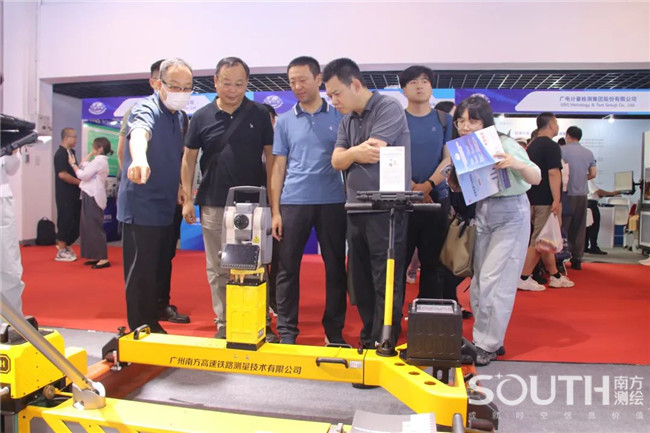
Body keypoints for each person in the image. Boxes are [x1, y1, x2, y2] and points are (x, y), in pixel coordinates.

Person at [181, 57, 274, 340]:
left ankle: (260, 319)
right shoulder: (201, 116)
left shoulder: (259, 113)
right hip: (213, 201)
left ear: (247, 84)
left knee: (257, 263)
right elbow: (188, 159)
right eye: (227, 83)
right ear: (215, 82)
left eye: (239, 84)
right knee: (218, 266)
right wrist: (187, 198)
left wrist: (274, 199)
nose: (233, 90)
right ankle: (224, 322)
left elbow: (271, 158)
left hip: (254, 203)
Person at [324, 58, 411, 348]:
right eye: (330, 96)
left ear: (355, 84)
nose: (334, 101)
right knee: (360, 280)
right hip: (355, 209)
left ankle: (383, 339)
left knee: (385, 278)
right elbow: (336, 161)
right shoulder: (347, 120)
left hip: (386, 210)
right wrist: (352, 154)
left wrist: (349, 153)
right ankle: (369, 335)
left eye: (337, 93)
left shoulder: (388, 107)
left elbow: (374, 150)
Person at [450, 95, 541, 366]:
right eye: (461, 121)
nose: (465, 126)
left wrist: (516, 163)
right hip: (484, 212)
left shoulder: (504, 144)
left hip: (511, 213)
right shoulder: (466, 148)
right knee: (479, 282)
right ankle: (491, 338)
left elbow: (536, 176)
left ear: (485, 122)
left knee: (495, 280)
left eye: (472, 121)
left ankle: (486, 344)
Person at [271, 56, 347, 345]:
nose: (297, 86)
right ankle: (287, 331)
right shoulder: (285, 121)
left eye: (302, 80)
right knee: (286, 269)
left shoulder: (340, 115)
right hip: (294, 201)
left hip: (333, 201)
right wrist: (276, 211)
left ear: (318, 79)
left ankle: (334, 331)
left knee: (335, 268)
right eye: (292, 81)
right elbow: (278, 168)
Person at [117, 57, 193, 333]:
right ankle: (141, 327)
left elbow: (176, 157)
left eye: (187, 88)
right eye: (175, 86)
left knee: (159, 266)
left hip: (166, 205)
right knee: (142, 271)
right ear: (159, 84)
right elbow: (140, 132)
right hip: (142, 205)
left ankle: (154, 316)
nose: (181, 93)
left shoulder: (179, 117)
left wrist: (181, 187)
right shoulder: (145, 108)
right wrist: (139, 158)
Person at [399, 65, 453, 303]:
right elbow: (390, 156)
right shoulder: (396, 119)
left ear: (431, 87)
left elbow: (449, 158)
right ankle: (392, 316)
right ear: (403, 90)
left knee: (433, 262)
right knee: (398, 261)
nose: (419, 86)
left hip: (436, 199)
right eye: (413, 82)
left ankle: (428, 313)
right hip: (402, 201)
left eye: (424, 81)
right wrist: (412, 187)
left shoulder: (444, 120)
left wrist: (429, 185)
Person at [518, 113, 574, 290]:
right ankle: (524, 277)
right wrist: (557, 199)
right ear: (550, 124)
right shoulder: (551, 146)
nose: (557, 126)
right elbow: (553, 173)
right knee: (539, 240)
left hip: (531, 198)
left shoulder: (532, 145)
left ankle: (555, 275)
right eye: (556, 122)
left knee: (545, 239)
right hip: (544, 200)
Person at [69, 137, 112, 269]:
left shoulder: (99, 161)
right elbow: (84, 165)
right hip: (90, 194)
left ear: (100, 148)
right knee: (88, 227)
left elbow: (83, 175)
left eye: (94, 147)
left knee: (94, 227)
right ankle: (95, 255)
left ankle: (103, 258)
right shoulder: (97, 160)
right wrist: (89, 155)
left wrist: (73, 165)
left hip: (93, 196)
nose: (92, 150)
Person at [117, 60, 164, 171]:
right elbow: (122, 151)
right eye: (162, 82)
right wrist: (137, 163)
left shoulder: (179, 116)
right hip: (142, 177)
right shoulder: (138, 110)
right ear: (153, 83)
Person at [560, 126, 596, 269]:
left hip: (566, 194)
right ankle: (577, 259)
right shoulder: (588, 153)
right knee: (580, 227)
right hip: (582, 194)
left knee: (563, 227)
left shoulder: (561, 150)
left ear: (568, 135)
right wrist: (581, 178)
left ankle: (560, 257)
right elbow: (593, 173)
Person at [1, 150, 25, 315]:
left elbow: (11, 168)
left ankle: (10, 320)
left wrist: (12, 150)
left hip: (2, 200)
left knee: (8, 264)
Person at [53, 127, 81, 262]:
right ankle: (61, 250)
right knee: (65, 219)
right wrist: (79, 182)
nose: (76, 140)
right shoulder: (60, 154)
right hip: (64, 193)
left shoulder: (71, 153)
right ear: (66, 138)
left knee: (75, 220)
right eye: (74, 137)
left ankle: (67, 245)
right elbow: (62, 174)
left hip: (75, 193)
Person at [585, 179, 619, 254]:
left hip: (587, 203)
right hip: (591, 204)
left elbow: (598, 194)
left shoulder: (585, 179)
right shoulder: (589, 180)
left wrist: (609, 194)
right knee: (594, 225)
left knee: (587, 226)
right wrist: (612, 193)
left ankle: (585, 246)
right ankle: (593, 247)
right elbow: (598, 192)